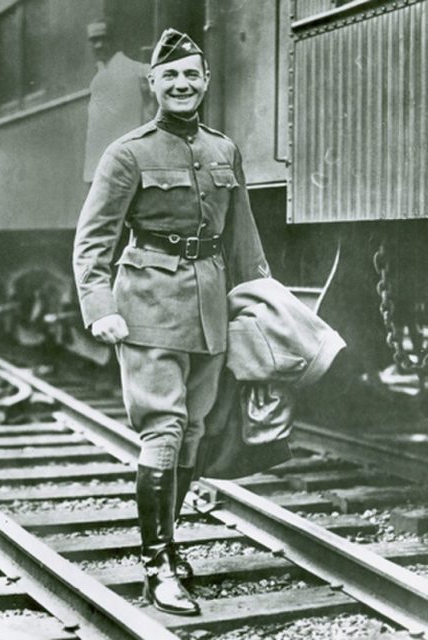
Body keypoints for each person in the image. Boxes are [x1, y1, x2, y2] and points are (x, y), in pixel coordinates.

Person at [73, 28, 270, 616]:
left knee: (193, 430)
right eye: (170, 76)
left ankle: (168, 546)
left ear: (205, 83)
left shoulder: (222, 149)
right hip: (148, 303)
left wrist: (263, 298)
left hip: (209, 306)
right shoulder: (128, 152)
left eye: (191, 76)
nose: (181, 85)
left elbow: (244, 237)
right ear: (152, 84)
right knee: (164, 427)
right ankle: (157, 563)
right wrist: (101, 308)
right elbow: (93, 241)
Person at [83, 20, 152, 183]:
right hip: (102, 167)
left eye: (103, 39)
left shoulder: (135, 69)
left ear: (114, 41)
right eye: (94, 41)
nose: (99, 45)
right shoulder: (98, 78)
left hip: (126, 162)